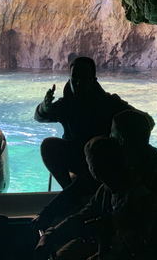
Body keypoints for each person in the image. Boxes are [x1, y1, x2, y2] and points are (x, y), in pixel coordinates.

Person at [34, 56, 135, 189]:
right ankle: (68, 189)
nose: (78, 83)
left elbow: (144, 120)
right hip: (78, 158)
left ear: (93, 80)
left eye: (84, 77)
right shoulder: (66, 104)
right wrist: (44, 107)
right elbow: (39, 117)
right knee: (48, 145)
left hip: (103, 161)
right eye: (74, 78)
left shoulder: (109, 103)